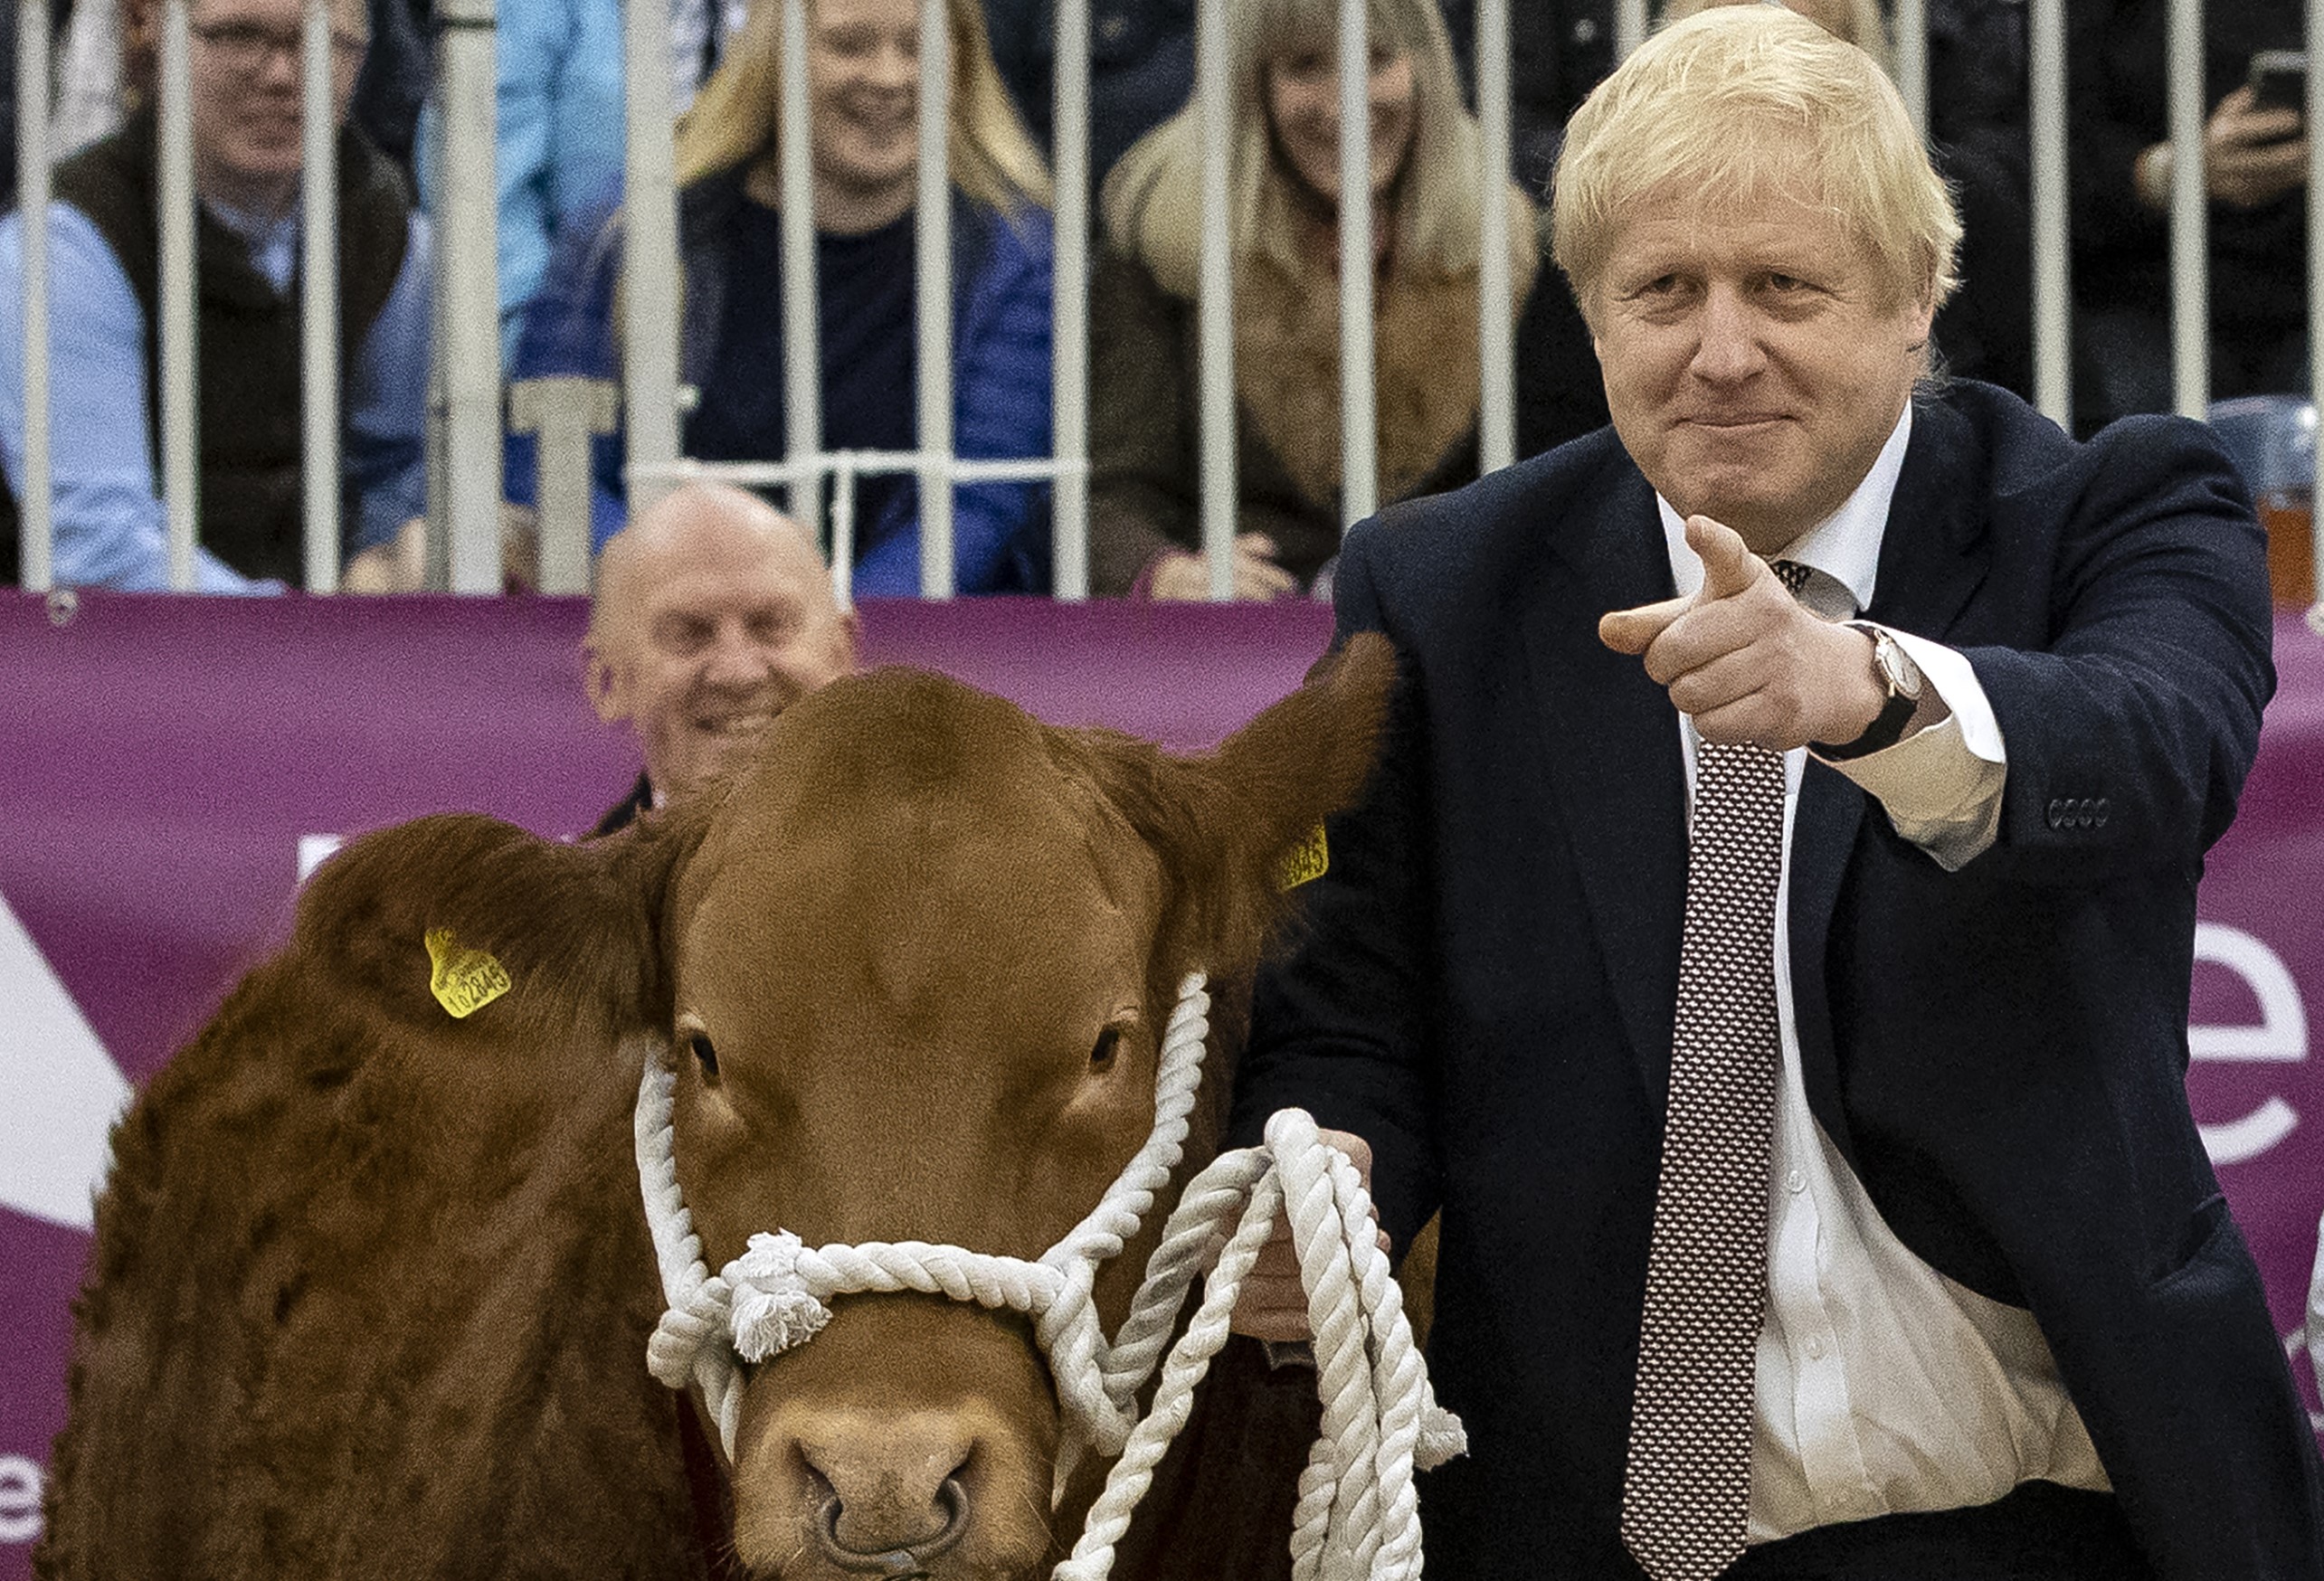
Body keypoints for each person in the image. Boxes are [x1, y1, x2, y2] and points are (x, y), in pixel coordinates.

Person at [1229, 7, 2324, 1576]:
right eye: (1660, 291)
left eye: (1783, 288)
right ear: (1590, 317)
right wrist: (1330, 1164)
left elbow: (2151, 745)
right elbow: (1345, 1006)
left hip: (2059, 1521)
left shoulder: (2111, 511)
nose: (1718, 350)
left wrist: (1872, 692)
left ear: (1912, 304)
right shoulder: (1438, 587)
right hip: (1584, 1529)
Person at [507, 0, 1057, 597]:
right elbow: (550, 467)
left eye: (919, 48)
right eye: (850, 46)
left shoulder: (1016, 256)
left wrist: (825, 628)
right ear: (774, 56)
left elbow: (978, 505)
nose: (890, 77)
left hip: (902, 651)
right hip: (667, 628)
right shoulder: (630, 230)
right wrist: (691, 599)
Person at [1086, 0, 1606, 601]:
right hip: (1231, 639)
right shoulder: (1163, 242)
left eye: (1376, 59)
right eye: (1305, 67)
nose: (1343, 103)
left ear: (1424, 70)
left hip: (1442, 629)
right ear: (1251, 88)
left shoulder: (1507, 238)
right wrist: (1166, 573)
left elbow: (1560, 486)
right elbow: (1110, 495)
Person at [0, 0, 429, 591]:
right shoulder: (65, 243)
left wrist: (383, 574)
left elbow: (398, 470)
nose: (283, 74)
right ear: (153, 30)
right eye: (238, 35)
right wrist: (315, 634)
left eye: (323, 41)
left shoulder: (390, 227)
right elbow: (98, 548)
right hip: (108, 662)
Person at [2071, 0, 2309, 431]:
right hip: (2139, 290)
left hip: (2305, 289)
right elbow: (2026, 163)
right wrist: (2165, 173)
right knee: (2134, 427)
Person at [584, 479, 858, 834]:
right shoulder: (563, 890)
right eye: (687, 634)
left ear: (842, 652)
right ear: (609, 679)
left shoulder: (942, 878)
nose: (737, 672)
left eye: (771, 625)